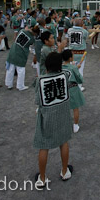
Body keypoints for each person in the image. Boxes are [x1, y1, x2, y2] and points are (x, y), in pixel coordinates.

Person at [33, 52, 73, 189]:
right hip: (63, 115)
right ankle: (64, 171)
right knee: (64, 142)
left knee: (44, 146)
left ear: (46, 65)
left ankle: (42, 178)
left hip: (47, 117)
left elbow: (38, 101)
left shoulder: (40, 80)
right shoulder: (65, 76)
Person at [5, 24, 35, 90]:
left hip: (13, 50)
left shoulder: (22, 31)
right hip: (21, 53)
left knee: (10, 68)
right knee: (21, 69)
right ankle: (20, 86)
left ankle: (9, 84)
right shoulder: (32, 39)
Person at [62, 49, 86, 133]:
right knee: (75, 108)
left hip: (62, 89)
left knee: (64, 108)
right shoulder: (73, 67)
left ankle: (64, 124)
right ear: (70, 58)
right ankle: (75, 125)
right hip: (73, 88)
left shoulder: (59, 67)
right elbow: (80, 79)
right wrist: (76, 68)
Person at [65, 18, 89, 90]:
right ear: (81, 24)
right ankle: (79, 86)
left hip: (71, 54)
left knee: (71, 69)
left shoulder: (70, 30)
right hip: (81, 54)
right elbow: (86, 37)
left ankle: (71, 85)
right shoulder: (84, 31)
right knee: (80, 70)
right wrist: (83, 28)